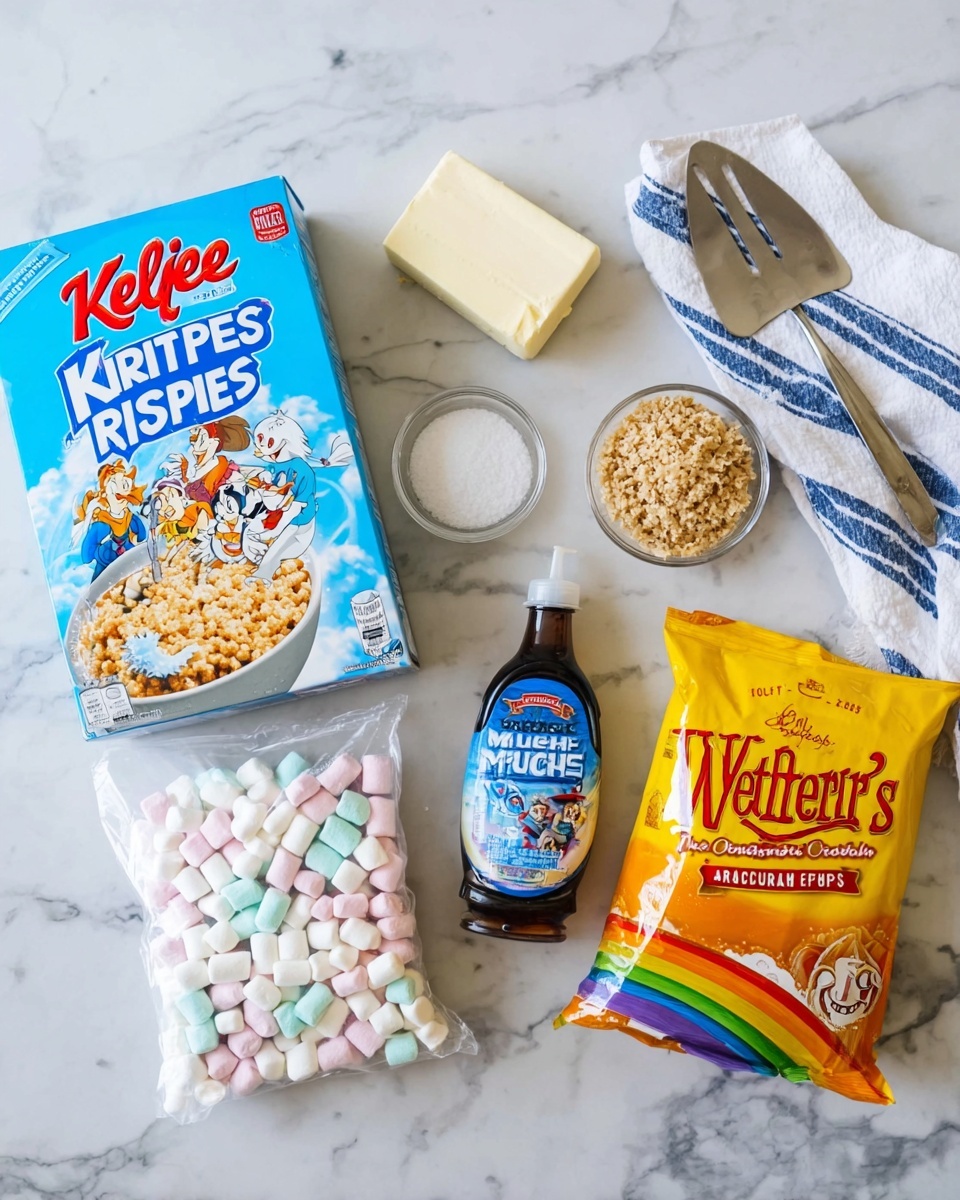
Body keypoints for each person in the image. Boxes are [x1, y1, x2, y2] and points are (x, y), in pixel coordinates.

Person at [75, 460, 146, 579]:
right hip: (105, 564)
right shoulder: (101, 524)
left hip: (128, 559)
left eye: (125, 484)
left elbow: (141, 534)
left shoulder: (129, 517)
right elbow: (87, 551)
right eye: (113, 483)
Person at [164, 416, 251, 508]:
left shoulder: (224, 470)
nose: (192, 438)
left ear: (213, 442)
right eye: (193, 432)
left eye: (200, 433)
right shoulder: (193, 470)